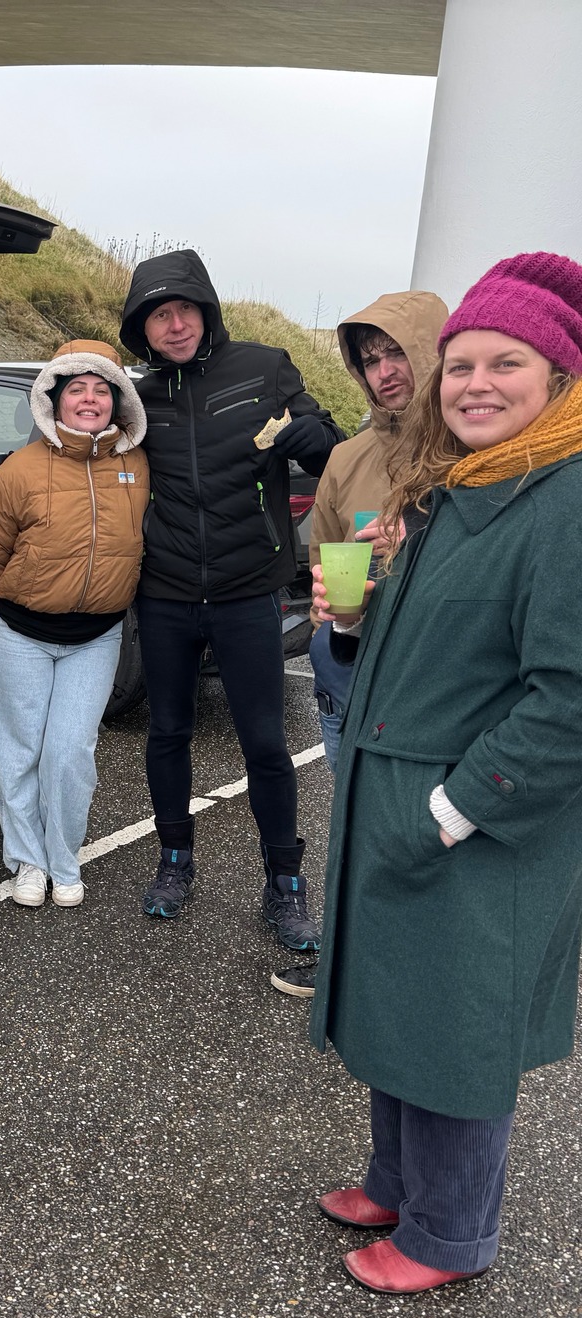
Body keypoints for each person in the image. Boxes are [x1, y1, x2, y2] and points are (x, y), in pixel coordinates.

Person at [309, 251, 582, 1294]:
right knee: (399, 998)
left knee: (457, 1020)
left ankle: (448, 1234)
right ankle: (397, 1182)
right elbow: (418, 645)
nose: (475, 384)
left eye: (505, 364)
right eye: (461, 365)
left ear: (557, 378)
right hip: (400, 791)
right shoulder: (458, 487)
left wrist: (455, 809)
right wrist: (351, 621)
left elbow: (569, 699)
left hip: (476, 815)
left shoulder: (564, 500)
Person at [118, 249, 344, 952]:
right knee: (167, 733)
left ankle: (285, 882)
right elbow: (80, 445)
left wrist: (318, 438)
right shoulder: (137, 398)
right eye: (159, 315)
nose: (175, 324)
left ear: (206, 312)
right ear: (142, 329)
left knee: (266, 743)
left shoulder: (265, 368)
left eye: (185, 309)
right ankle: (174, 859)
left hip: (247, 590)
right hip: (165, 593)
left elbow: (330, 451)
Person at [271, 290, 448, 1001]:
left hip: (429, 682)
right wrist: (327, 607)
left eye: (396, 351)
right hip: (346, 672)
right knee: (352, 821)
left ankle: (423, 969)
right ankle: (350, 961)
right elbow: (324, 558)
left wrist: (418, 542)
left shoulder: (474, 450)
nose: (384, 371)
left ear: (433, 348)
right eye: (369, 359)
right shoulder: (347, 458)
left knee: (425, 829)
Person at [0, 341, 148, 907]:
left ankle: (63, 858)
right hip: (19, 635)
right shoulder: (20, 470)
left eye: (102, 390)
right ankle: (27, 860)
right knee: (19, 752)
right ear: (53, 401)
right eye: (76, 389)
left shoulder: (137, 465)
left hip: (96, 637)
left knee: (69, 753)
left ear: (118, 401)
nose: (89, 399)